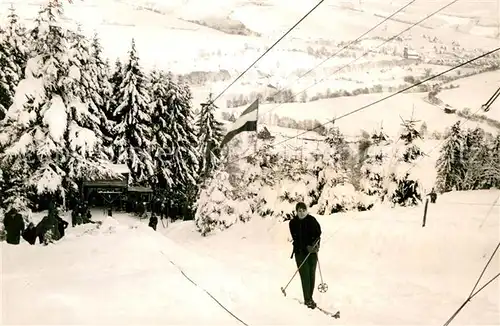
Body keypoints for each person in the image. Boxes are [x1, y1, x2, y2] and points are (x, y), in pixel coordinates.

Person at [288, 202, 322, 309]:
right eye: (299, 211)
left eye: (303, 210)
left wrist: (315, 245)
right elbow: (297, 238)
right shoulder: (293, 223)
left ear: (306, 210)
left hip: (312, 253)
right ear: (296, 212)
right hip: (300, 253)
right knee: (305, 276)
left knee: (312, 275)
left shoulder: (312, 220)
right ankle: (307, 300)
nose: (301, 213)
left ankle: (310, 298)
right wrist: (306, 247)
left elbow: (318, 234)